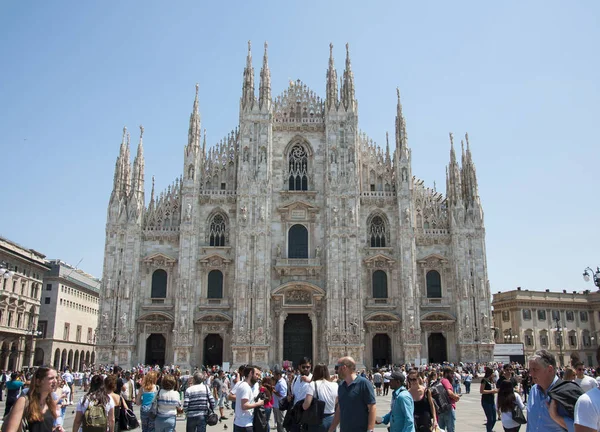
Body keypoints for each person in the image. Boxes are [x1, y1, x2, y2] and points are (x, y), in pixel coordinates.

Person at [3, 367, 61, 432]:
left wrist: (55, 430)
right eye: (51, 378)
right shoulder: (24, 401)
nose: (55, 381)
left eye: (56, 378)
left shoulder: (50, 402)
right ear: (38, 381)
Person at [527, 349, 572, 432]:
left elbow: (581, 428)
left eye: (535, 369)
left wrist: (556, 417)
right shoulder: (533, 391)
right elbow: (530, 425)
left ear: (550, 369)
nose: (531, 374)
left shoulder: (566, 392)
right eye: (530, 370)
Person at [328, 356, 376, 432]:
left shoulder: (364, 383)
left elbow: (372, 407)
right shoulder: (341, 385)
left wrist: (370, 430)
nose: (335, 370)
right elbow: (340, 409)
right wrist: (331, 429)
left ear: (344, 367)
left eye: (337, 367)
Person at [302, 364, 338, 432]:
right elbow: (336, 402)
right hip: (331, 420)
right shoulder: (335, 385)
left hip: (318, 420)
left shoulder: (313, 384)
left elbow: (306, 406)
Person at [234, 366, 263, 432]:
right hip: (245, 424)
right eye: (256, 374)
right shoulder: (246, 387)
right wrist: (259, 403)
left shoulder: (242, 385)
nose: (258, 377)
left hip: (240, 423)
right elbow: (244, 406)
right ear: (250, 373)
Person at [480, 367, 498, 432]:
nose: (494, 374)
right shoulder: (484, 380)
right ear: (490, 373)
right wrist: (492, 391)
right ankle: (489, 430)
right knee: (490, 419)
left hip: (491, 401)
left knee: (494, 419)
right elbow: (481, 391)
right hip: (486, 401)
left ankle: (490, 429)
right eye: (493, 372)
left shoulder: (491, 380)